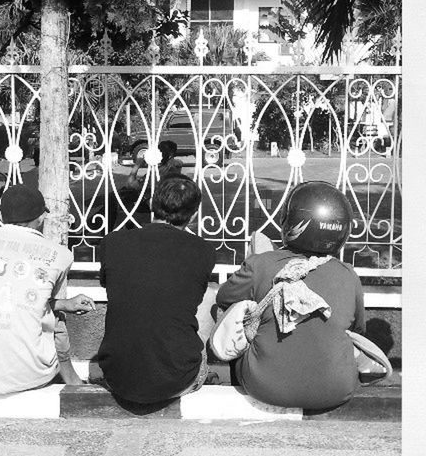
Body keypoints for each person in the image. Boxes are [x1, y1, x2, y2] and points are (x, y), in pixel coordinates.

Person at [215, 181, 390, 410]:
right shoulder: (348, 275)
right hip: (337, 391)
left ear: (291, 222)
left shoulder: (261, 264)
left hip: (263, 387)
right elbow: (357, 329)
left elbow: (224, 298)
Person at [0, 184, 96, 395]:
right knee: (56, 320)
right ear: (41, 218)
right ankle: (72, 380)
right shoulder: (61, 255)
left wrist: (66, 304)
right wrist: (62, 306)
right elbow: (37, 302)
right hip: (32, 374)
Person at [96, 174, 217, 404]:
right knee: (208, 296)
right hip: (178, 379)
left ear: (152, 204)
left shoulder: (113, 243)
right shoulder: (203, 251)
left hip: (118, 378)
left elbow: (110, 285)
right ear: (193, 215)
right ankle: (202, 371)